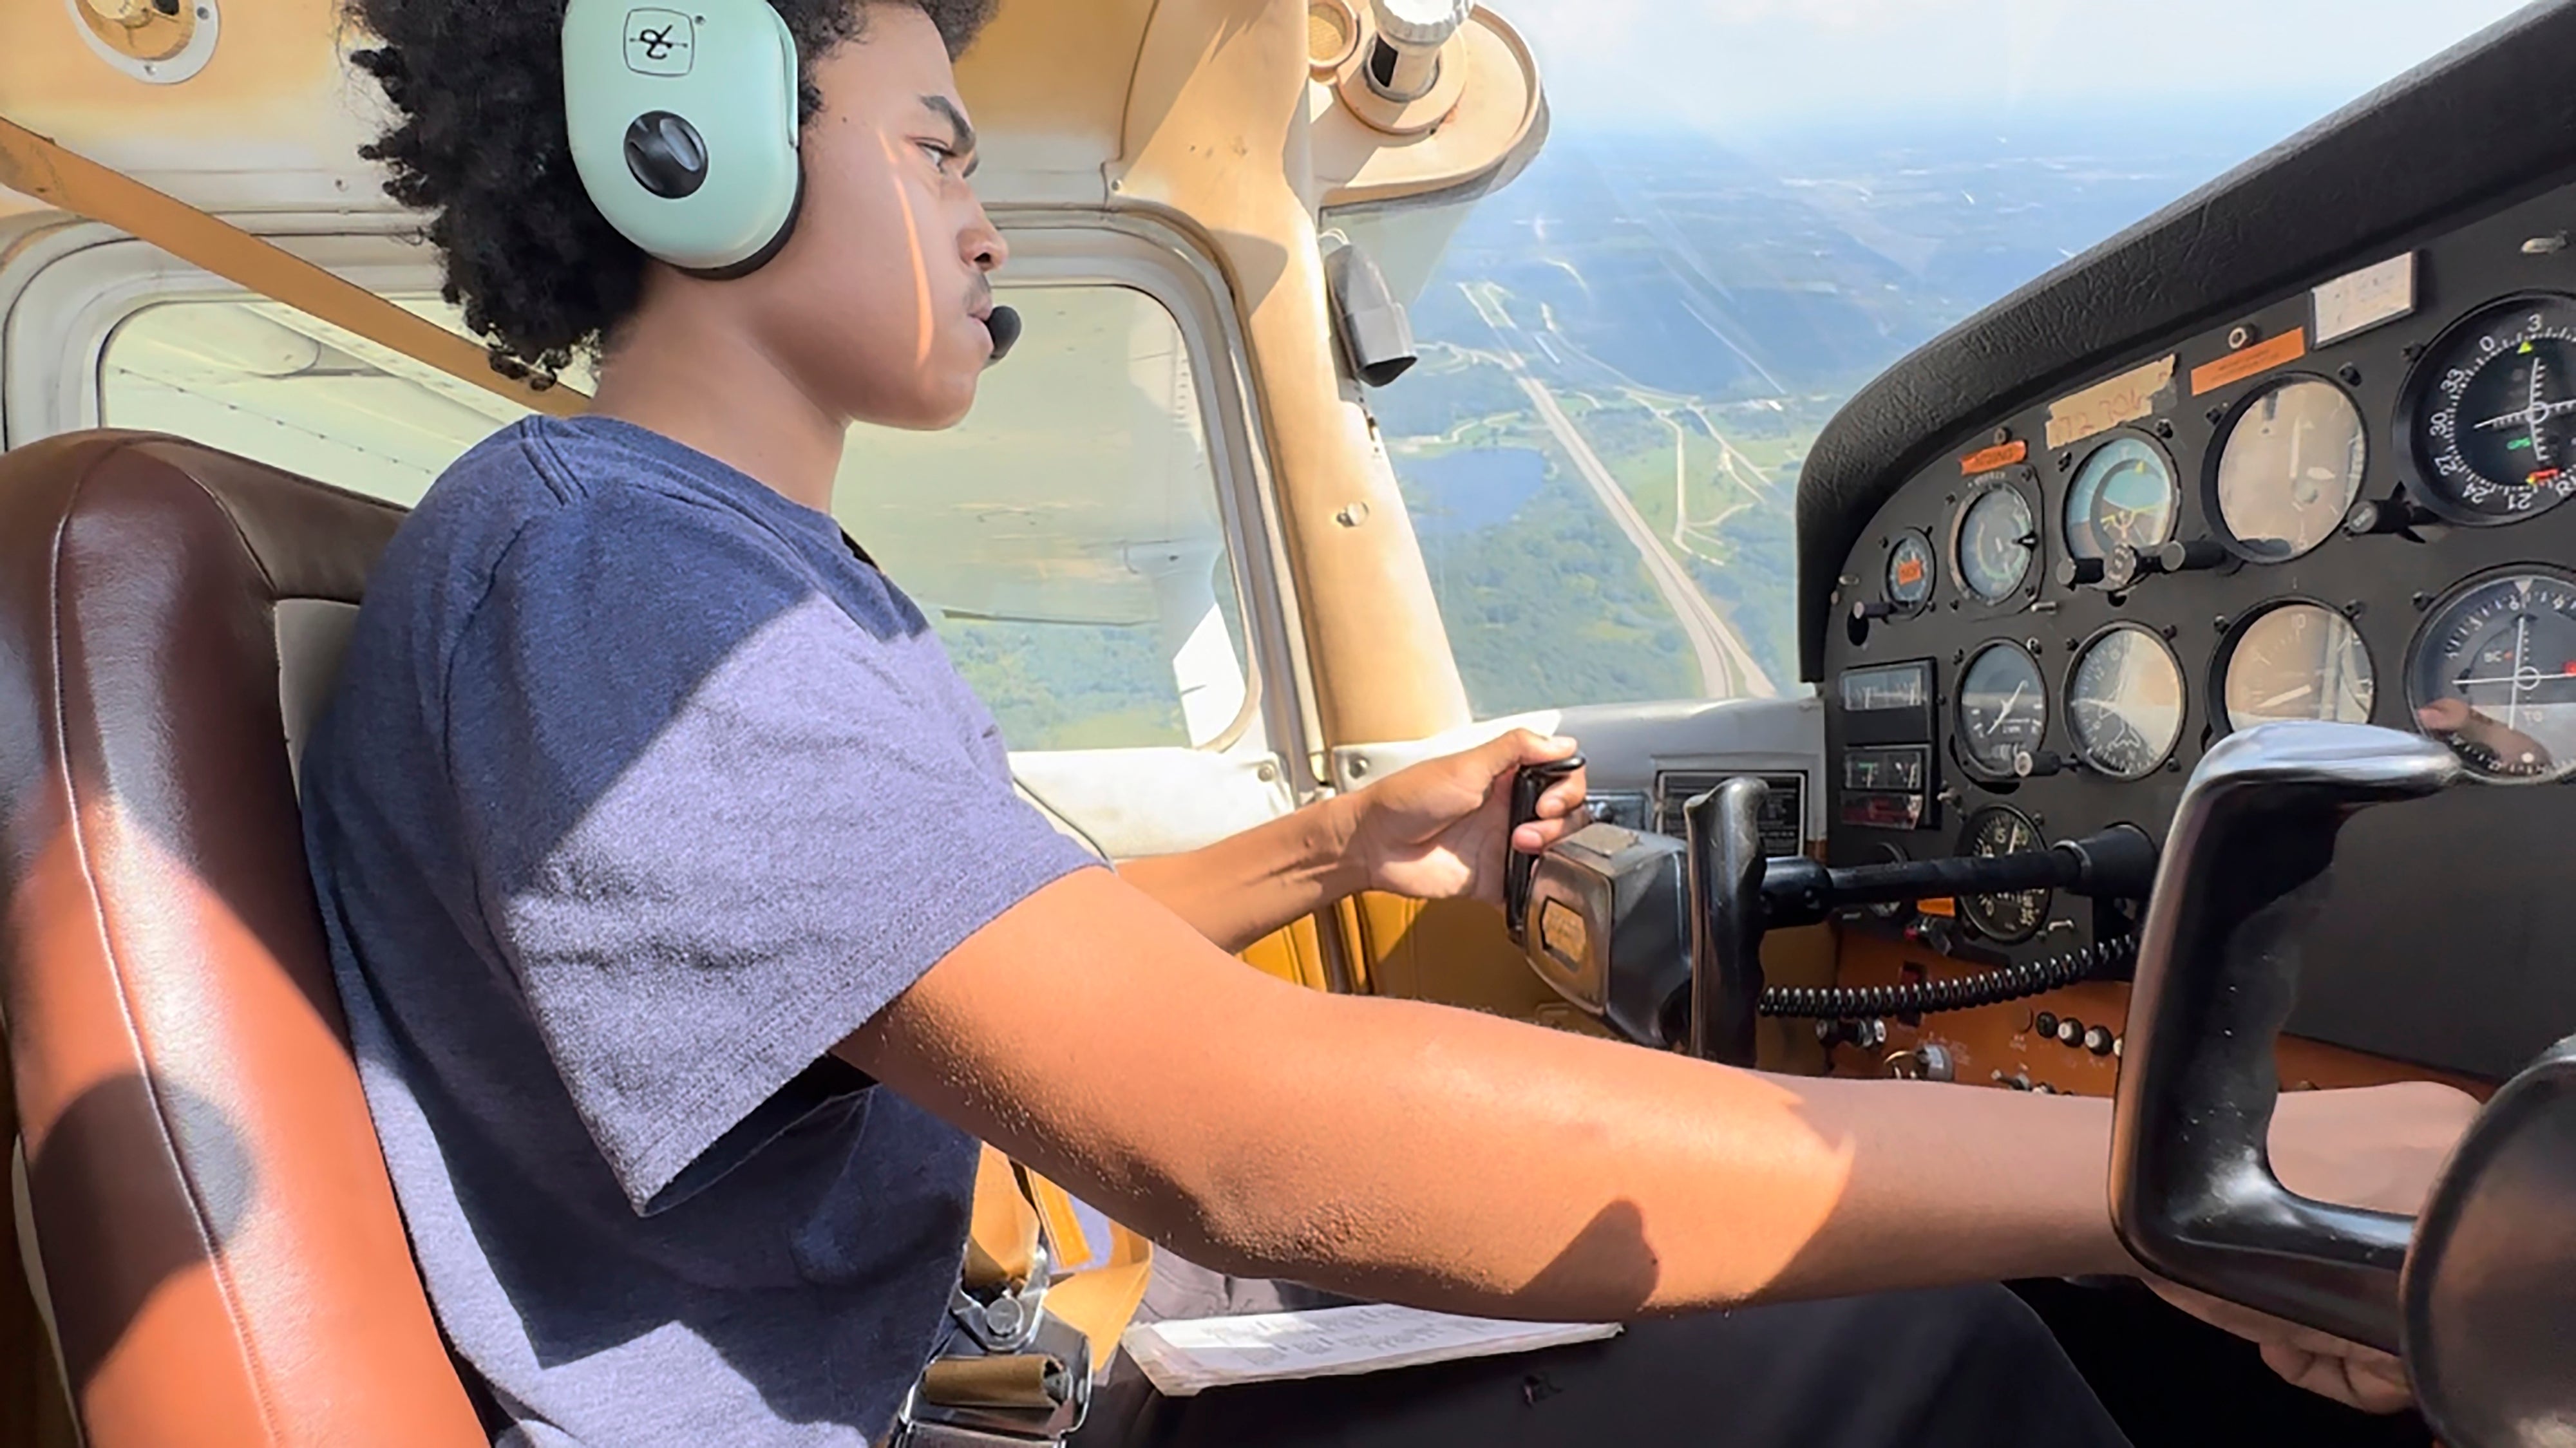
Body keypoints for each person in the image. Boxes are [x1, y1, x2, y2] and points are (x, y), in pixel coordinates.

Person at [308, 2, 2477, 1445]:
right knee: (1921, 1372)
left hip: (952, 1395)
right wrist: (2187, 1165)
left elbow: (966, 963)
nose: (980, 215)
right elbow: (1255, 1133)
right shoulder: (610, 579)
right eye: (934, 144)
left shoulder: (676, 561)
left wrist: (1351, 850)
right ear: (677, 146)